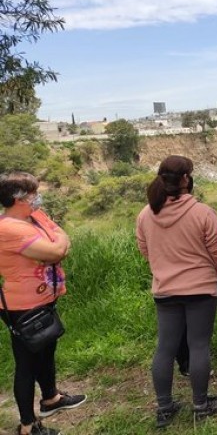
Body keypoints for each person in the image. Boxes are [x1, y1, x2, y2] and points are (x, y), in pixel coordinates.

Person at [136, 156, 217, 427]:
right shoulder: (202, 212)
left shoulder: (146, 214)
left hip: (164, 290)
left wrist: (162, 267)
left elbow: (146, 249)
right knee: (198, 345)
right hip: (200, 288)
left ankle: (164, 408)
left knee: (165, 348)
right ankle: (201, 404)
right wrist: (215, 271)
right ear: (186, 179)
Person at [0, 172, 87, 435]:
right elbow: (57, 249)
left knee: (46, 349)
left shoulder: (30, 218)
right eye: (33, 194)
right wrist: (59, 239)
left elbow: (56, 237)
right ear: (19, 199)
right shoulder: (9, 228)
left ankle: (51, 398)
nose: (38, 199)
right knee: (26, 363)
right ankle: (28, 425)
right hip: (22, 306)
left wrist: (55, 235)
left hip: (41, 299)